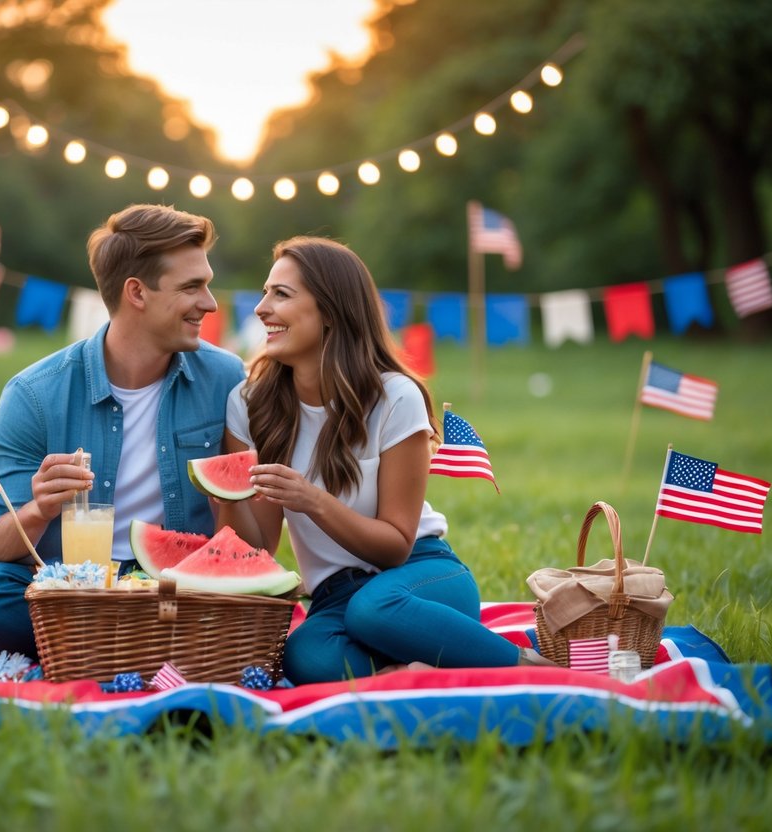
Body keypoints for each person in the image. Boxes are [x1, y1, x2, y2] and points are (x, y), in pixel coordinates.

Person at [215, 236, 555, 685]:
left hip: (420, 575)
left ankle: (528, 667)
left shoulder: (395, 396)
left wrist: (312, 500)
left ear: (331, 311)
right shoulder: (250, 402)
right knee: (304, 656)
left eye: (281, 294)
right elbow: (258, 543)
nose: (260, 308)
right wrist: (226, 492)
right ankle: (416, 667)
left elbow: (396, 544)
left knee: (374, 609)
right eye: (263, 292)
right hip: (335, 597)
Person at [0, 204, 246, 661]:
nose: (209, 302)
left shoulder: (225, 378)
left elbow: (250, 528)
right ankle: (150, 646)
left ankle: (92, 646)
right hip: (70, 585)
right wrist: (38, 510)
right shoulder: (34, 395)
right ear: (136, 293)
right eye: (191, 287)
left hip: (180, 586)